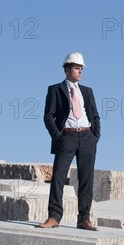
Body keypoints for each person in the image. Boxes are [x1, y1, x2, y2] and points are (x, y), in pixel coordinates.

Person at [38, 51, 100, 230]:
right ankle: (54, 217)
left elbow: (94, 115)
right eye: (76, 68)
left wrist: (95, 136)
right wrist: (58, 136)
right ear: (67, 70)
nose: (80, 71)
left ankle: (84, 219)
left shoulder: (87, 91)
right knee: (58, 177)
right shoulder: (55, 89)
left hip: (87, 137)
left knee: (86, 179)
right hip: (67, 137)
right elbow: (48, 116)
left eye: (81, 68)